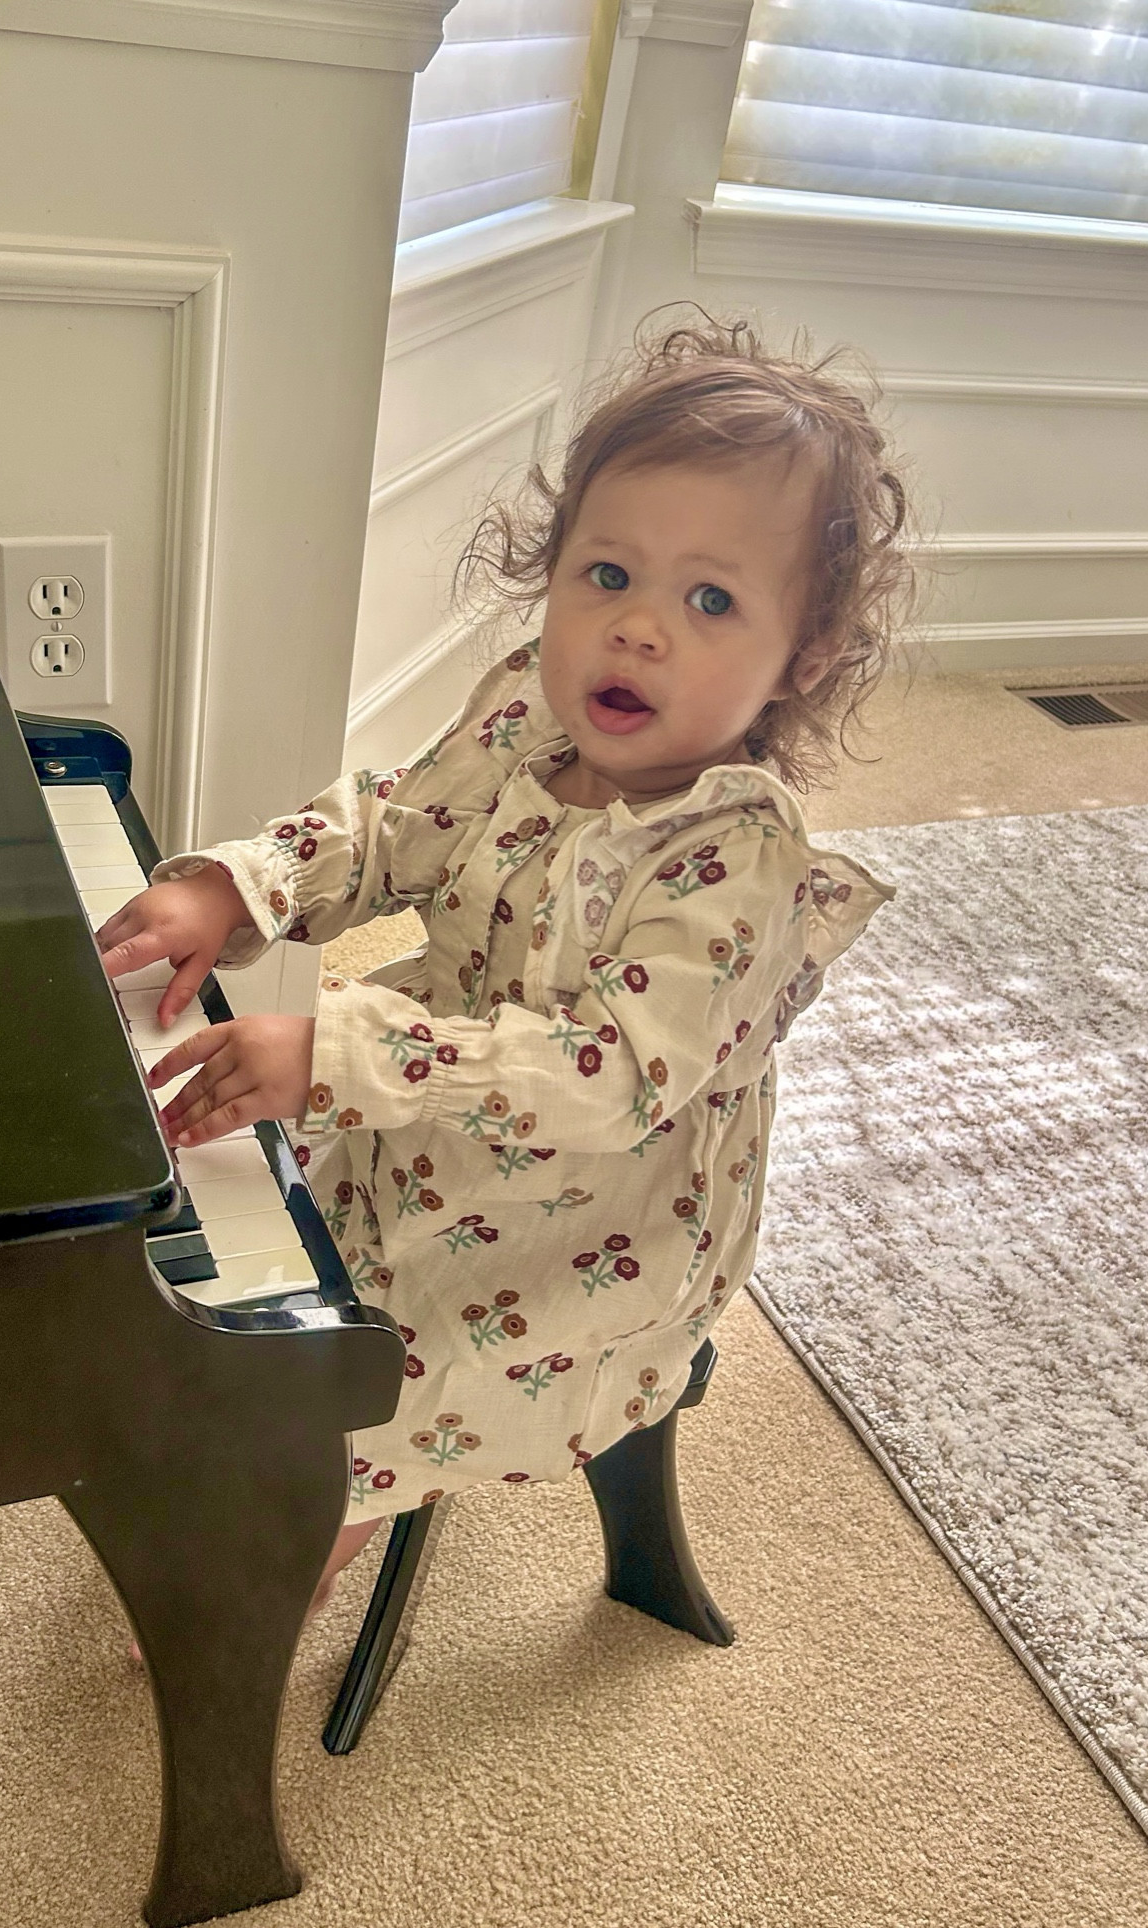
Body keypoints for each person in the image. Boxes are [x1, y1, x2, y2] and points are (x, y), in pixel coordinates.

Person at [97, 316, 913, 1611]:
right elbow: (388, 825)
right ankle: (248, 1437)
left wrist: (334, 1055)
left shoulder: (732, 863)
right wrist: (237, 884)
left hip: (596, 1214)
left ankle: (312, 1530)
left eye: (708, 600)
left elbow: (607, 1076)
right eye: (606, 574)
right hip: (417, 1112)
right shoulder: (520, 717)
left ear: (798, 657)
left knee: (358, 1392)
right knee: (226, 1225)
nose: (636, 628)